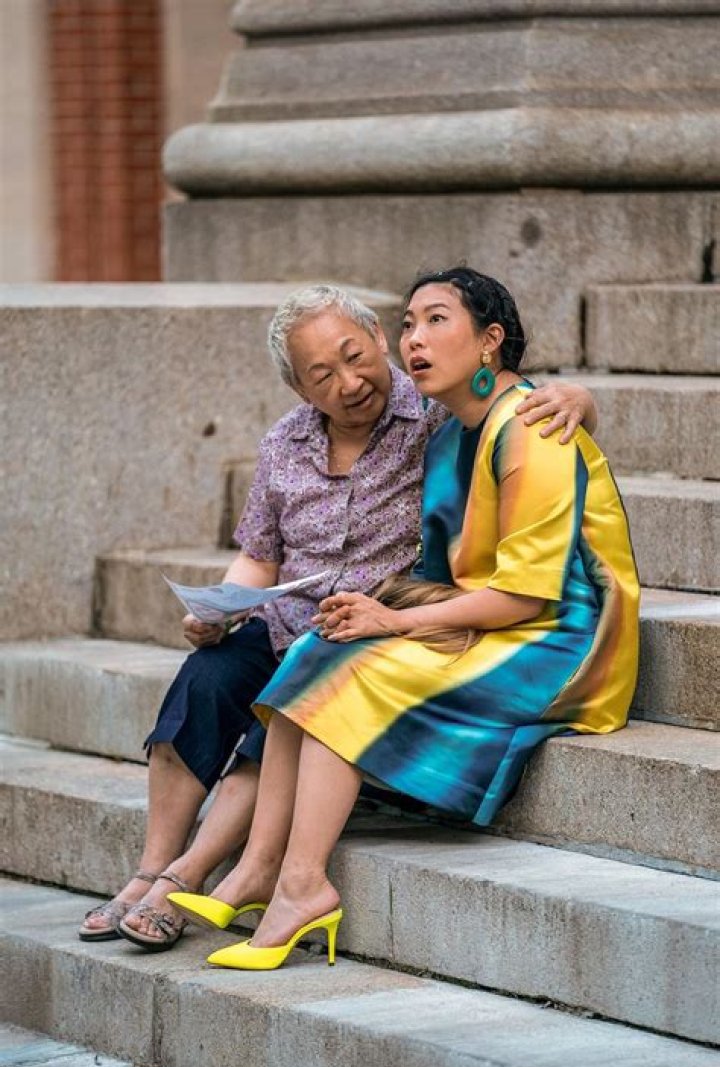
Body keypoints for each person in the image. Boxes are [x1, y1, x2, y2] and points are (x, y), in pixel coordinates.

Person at [79, 283, 598, 950]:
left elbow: (512, 406)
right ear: (299, 387)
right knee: (203, 680)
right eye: (322, 375)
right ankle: (150, 869)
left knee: (291, 697)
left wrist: (582, 399)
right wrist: (217, 610)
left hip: (362, 627)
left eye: (355, 357)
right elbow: (259, 556)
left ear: (379, 339)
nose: (350, 384)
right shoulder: (284, 441)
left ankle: (185, 880)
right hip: (283, 618)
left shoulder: (432, 411)